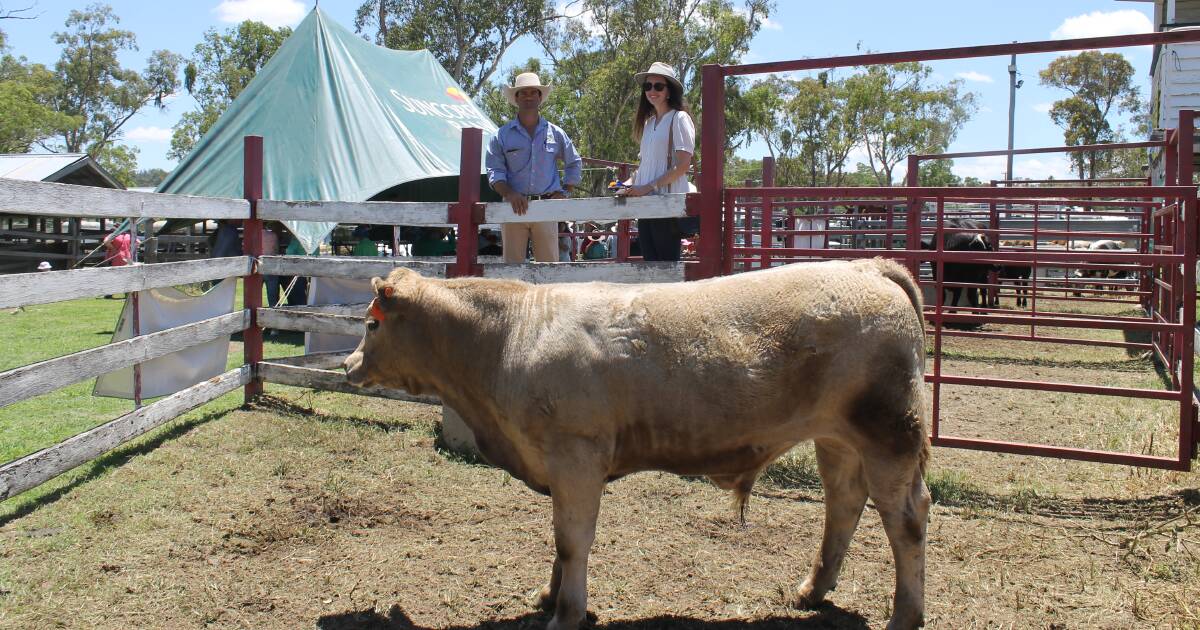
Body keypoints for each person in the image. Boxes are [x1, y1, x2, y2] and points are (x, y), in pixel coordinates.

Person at [486, 72, 583, 263]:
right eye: (523, 93)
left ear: (540, 97)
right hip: (513, 207)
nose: (529, 96)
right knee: (512, 268)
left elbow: (574, 162)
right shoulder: (500, 136)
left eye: (533, 92)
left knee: (549, 267)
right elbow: (494, 171)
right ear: (516, 98)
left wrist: (565, 192)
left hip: (547, 206)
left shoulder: (556, 133)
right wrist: (510, 194)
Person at [616, 62, 696, 262]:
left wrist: (648, 187)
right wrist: (627, 184)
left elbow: (683, 165)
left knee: (666, 270)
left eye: (658, 86)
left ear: (669, 91)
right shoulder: (649, 123)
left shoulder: (680, 118)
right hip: (646, 205)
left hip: (667, 206)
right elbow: (645, 167)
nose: (652, 90)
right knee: (652, 267)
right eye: (648, 86)